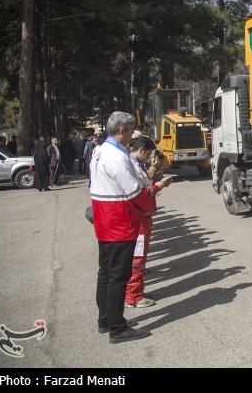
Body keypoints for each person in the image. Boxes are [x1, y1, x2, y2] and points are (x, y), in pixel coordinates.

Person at [90, 111, 159, 344]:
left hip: (104, 220)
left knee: (106, 273)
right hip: (119, 221)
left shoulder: (99, 151)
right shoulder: (118, 158)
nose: (132, 136)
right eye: (130, 130)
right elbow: (134, 193)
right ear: (122, 130)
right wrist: (151, 200)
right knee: (119, 276)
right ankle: (117, 328)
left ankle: (106, 320)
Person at [124, 135, 173, 308]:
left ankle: (137, 291)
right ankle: (133, 296)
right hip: (138, 219)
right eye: (148, 155)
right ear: (141, 151)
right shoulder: (132, 167)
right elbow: (141, 192)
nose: (150, 158)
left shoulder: (136, 165)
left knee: (140, 257)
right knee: (137, 258)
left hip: (142, 217)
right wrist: (158, 186)